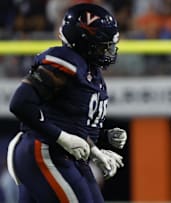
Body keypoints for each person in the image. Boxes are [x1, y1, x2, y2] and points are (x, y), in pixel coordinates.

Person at [6, 3, 127, 203]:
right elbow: (20, 103)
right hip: (43, 150)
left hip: (62, 155)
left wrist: (100, 142)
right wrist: (62, 138)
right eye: (101, 46)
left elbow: (71, 123)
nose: (107, 52)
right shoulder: (65, 61)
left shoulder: (91, 73)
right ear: (84, 41)